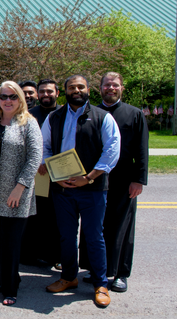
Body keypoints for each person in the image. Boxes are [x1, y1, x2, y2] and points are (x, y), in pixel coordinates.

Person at [41, 75, 120, 309]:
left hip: (92, 188)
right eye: (71, 87)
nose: (76, 90)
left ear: (88, 90)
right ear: (64, 91)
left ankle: (100, 284)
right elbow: (45, 146)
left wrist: (89, 177)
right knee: (66, 236)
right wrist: (56, 176)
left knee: (94, 237)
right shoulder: (54, 117)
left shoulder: (103, 117)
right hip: (62, 189)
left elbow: (112, 151)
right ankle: (69, 277)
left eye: (80, 87)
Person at [0, 81, 42, 306]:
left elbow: (34, 158)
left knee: (11, 243)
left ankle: (10, 288)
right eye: (3, 96)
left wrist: (20, 187)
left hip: (15, 194)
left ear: (20, 98)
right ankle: (2, 280)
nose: (8, 100)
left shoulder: (28, 123)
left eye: (13, 96)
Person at [79, 72, 148, 293]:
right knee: (94, 226)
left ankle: (120, 273)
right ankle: (94, 269)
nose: (111, 88)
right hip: (93, 179)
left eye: (115, 85)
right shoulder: (90, 113)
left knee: (121, 228)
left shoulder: (134, 114)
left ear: (122, 88)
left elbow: (142, 150)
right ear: (100, 88)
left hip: (123, 180)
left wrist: (138, 179)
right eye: (107, 85)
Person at [21, 78, 61, 268]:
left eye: (49, 91)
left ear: (57, 93)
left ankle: (58, 255)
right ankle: (33, 253)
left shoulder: (64, 114)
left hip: (60, 173)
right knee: (35, 216)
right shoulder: (29, 115)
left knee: (57, 217)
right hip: (36, 173)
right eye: (42, 91)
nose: (46, 94)